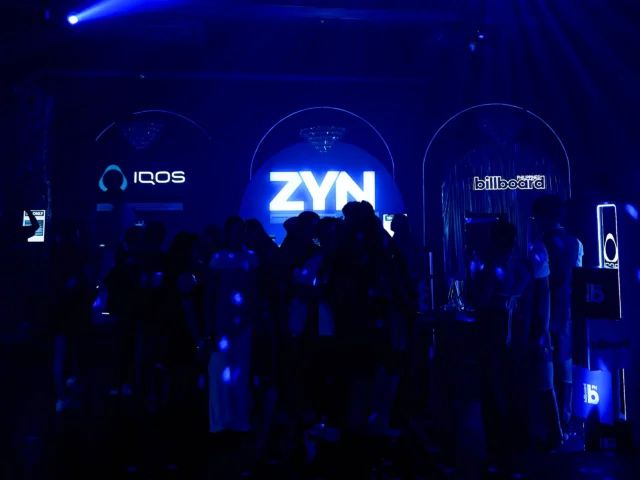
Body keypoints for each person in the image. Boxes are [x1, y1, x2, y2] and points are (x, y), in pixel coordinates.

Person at [471, 219, 536, 468]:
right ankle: (521, 439)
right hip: (517, 323)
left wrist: (479, 274)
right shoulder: (524, 265)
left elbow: (480, 300)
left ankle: (498, 444)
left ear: (492, 239)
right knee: (516, 382)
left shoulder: (493, 266)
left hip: (494, 323)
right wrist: (526, 333)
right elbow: (529, 304)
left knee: (491, 383)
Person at [532, 195, 584, 440]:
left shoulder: (539, 246)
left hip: (546, 314)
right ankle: (566, 426)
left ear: (542, 217)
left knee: (545, 374)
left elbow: (541, 289)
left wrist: (539, 325)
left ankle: (553, 432)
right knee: (566, 371)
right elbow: (577, 280)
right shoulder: (576, 243)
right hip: (568, 314)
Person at [205, 216, 259, 435]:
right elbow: (210, 293)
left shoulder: (251, 257)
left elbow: (254, 290)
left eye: (240, 231)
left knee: (240, 372)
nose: (236, 235)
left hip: (243, 321)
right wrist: (209, 324)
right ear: (227, 233)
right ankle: (222, 423)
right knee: (221, 371)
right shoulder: (218, 259)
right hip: (222, 322)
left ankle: (237, 422)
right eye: (233, 231)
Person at [49, 220, 96, 411]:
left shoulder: (53, 252)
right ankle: (76, 387)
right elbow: (90, 278)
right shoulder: (80, 253)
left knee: (59, 353)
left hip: (59, 306)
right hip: (78, 307)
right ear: (76, 233)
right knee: (80, 350)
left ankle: (61, 397)